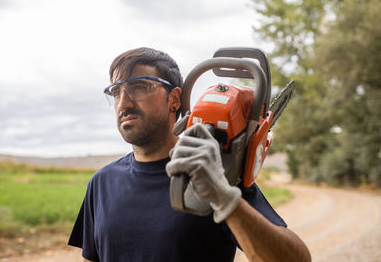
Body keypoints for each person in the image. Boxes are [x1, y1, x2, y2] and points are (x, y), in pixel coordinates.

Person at [68, 47, 311, 262]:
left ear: (174, 99)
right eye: (116, 92)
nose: (124, 103)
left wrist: (226, 200)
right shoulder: (102, 183)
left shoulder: (215, 172)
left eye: (139, 87)